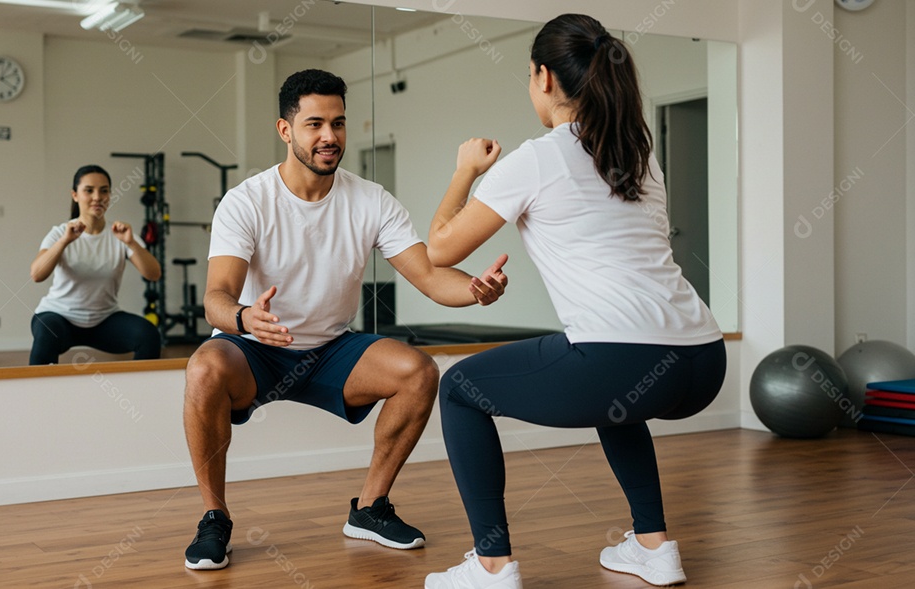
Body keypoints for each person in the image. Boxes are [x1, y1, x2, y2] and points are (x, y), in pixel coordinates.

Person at [422, 14, 727, 589]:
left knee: (460, 390)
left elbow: (440, 248)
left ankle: (491, 565)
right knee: (619, 403)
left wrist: (465, 172)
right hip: (702, 359)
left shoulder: (538, 158)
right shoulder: (640, 154)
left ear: (543, 77)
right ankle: (653, 546)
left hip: (625, 359)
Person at [182, 69, 509, 571]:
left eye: (338, 123)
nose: (329, 136)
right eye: (314, 124)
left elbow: (426, 274)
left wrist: (473, 289)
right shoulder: (246, 201)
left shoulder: (371, 200)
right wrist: (245, 318)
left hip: (331, 348)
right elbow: (216, 297)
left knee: (418, 373)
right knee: (203, 368)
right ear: (285, 129)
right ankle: (214, 517)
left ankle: (370, 508)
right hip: (255, 347)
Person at [29, 165, 163, 365]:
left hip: (104, 319)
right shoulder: (59, 233)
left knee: (148, 335)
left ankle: (137, 393)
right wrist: (64, 242)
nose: (97, 197)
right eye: (89, 190)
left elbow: (153, 274)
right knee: (47, 332)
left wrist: (131, 243)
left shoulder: (121, 235)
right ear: (75, 195)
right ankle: (38, 395)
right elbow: (37, 275)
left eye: (104, 190)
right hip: (59, 317)